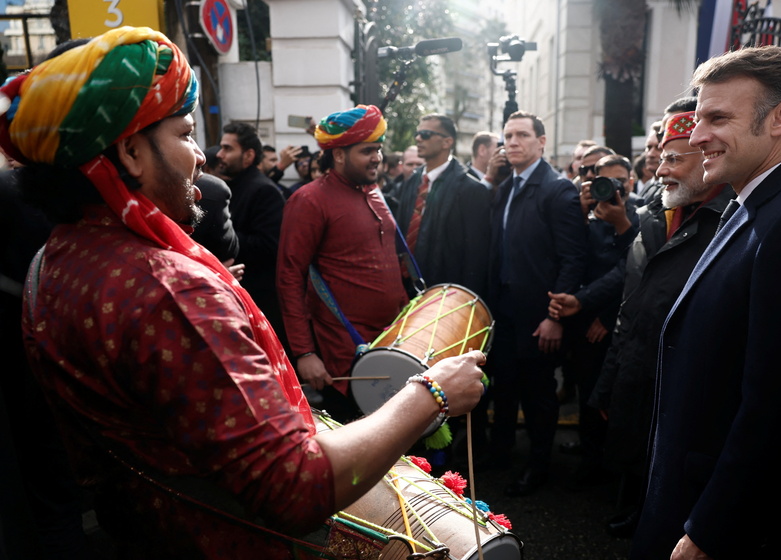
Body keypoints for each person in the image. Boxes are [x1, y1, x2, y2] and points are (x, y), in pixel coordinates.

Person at [11, 28, 485, 558]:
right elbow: (294, 489)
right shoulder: (170, 289)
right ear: (130, 151)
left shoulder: (53, 259)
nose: (200, 157)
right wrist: (432, 392)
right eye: (186, 134)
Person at [631, 46, 781, 559]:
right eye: (699, 117)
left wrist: (709, 528)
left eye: (717, 118)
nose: (696, 135)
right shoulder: (753, 204)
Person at [587, 108, 734, 540]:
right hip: (638, 364)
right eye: (662, 157)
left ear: (707, 161)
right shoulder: (655, 215)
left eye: (675, 159)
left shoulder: (728, 222)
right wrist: (611, 379)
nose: (661, 168)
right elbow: (632, 307)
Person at [276, 105, 410, 422]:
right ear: (338, 155)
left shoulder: (374, 191)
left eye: (378, 149)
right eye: (367, 151)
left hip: (394, 343)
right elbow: (289, 278)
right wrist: (305, 353)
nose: (377, 157)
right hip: (343, 354)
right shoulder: (308, 200)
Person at [486, 110, 588, 496]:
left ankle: (539, 465)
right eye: (508, 136)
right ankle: (501, 454)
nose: (512, 142)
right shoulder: (508, 185)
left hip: (539, 314)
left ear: (541, 141)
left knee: (539, 394)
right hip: (505, 310)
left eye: (522, 135)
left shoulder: (556, 190)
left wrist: (555, 317)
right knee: (505, 385)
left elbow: (573, 259)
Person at [548, 153, 639, 487]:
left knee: (614, 397)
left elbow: (631, 271)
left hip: (614, 320)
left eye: (617, 181)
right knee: (587, 392)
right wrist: (585, 217)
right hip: (582, 319)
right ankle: (590, 459)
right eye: (604, 180)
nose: (611, 188)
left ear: (630, 181)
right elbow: (576, 259)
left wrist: (605, 314)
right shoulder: (586, 212)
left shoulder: (642, 212)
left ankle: (613, 466)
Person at [395, 113, 491, 297]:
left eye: (426, 134)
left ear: (447, 142)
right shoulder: (411, 182)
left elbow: (475, 260)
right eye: (418, 133)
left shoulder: (471, 190)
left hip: (445, 298)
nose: (418, 138)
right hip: (404, 291)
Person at [217, 121, 288, 347]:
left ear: (248, 156)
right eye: (221, 147)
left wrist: (222, 237)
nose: (220, 154)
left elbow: (269, 245)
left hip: (260, 301)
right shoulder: (233, 186)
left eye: (228, 149)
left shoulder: (263, 190)